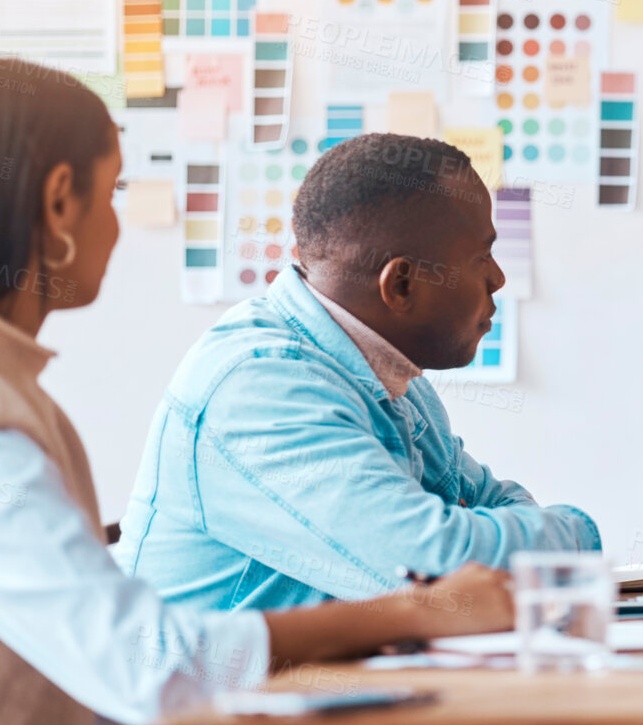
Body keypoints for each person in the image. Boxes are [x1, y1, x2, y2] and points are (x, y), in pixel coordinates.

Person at [0, 59, 509, 725]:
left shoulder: (1, 396)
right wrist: (414, 612)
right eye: (112, 191)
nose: (119, 224)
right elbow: (144, 666)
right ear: (58, 204)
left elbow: (100, 697)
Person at [113, 133, 597, 612]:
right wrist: (576, 533)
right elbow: (441, 568)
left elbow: (489, 503)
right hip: (226, 690)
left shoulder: (387, 374)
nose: (498, 278)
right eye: (481, 257)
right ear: (401, 285)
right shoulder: (260, 387)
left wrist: (491, 539)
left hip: (341, 682)